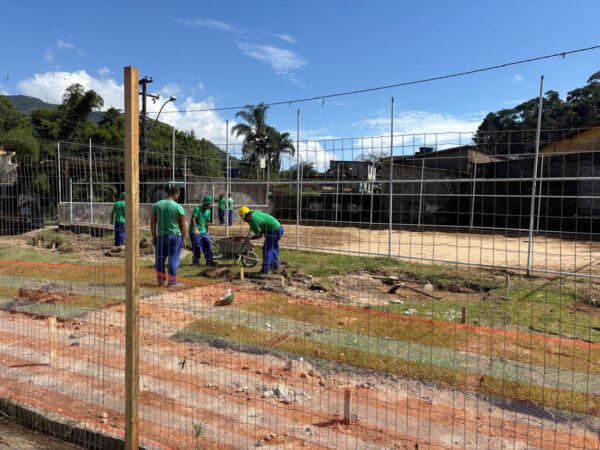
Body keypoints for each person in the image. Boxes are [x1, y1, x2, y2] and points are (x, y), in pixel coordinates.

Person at [151, 186, 187, 287]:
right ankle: (172, 282)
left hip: (161, 235)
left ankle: (161, 280)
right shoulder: (178, 207)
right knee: (173, 259)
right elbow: (182, 224)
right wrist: (184, 238)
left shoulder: (157, 205)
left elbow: (153, 222)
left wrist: (154, 235)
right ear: (176, 194)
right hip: (175, 236)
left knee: (159, 258)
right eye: (178, 195)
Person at [238, 206, 284, 275]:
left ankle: (265, 270)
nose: (243, 220)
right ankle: (275, 267)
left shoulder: (253, 222)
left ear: (245, 216)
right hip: (279, 227)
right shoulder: (254, 213)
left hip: (273, 231)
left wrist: (250, 238)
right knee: (273, 248)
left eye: (243, 218)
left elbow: (260, 235)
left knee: (267, 249)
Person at [191, 195, 215, 266]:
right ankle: (196, 262)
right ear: (204, 203)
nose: (208, 206)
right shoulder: (197, 209)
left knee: (207, 245)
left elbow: (207, 222)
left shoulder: (208, 211)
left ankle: (209, 261)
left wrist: (207, 231)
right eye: (207, 204)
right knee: (197, 246)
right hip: (196, 231)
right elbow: (193, 219)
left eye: (209, 204)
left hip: (204, 231)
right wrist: (195, 229)